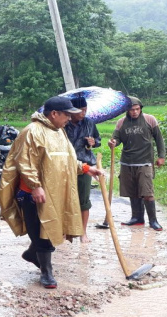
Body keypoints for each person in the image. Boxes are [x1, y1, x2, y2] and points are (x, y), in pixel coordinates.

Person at [0, 96, 103, 289]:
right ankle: (47, 272)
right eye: (66, 115)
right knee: (42, 231)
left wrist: (88, 169)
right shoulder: (32, 131)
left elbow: (68, 161)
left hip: (55, 191)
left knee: (51, 228)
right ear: (54, 114)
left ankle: (32, 253)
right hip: (32, 193)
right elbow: (25, 162)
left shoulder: (59, 132)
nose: (69, 119)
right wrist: (35, 186)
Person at [108, 96, 166, 231]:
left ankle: (153, 221)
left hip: (145, 162)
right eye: (131, 110)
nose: (134, 112)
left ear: (140, 109)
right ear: (127, 111)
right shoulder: (121, 122)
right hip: (127, 162)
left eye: (137, 109)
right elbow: (116, 139)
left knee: (147, 192)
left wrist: (161, 156)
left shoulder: (149, 120)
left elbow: (159, 139)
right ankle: (137, 218)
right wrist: (112, 143)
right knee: (132, 191)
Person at [64, 95, 101, 243]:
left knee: (84, 201)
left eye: (85, 110)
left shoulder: (89, 123)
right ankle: (64, 231)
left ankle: (83, 233)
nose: (83, 113)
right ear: (71, 111)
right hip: (65, 166)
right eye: (80, 110)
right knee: (63, 199)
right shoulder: (63, 124)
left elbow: (98, 140)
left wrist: (94, 142)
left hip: (85, 164)